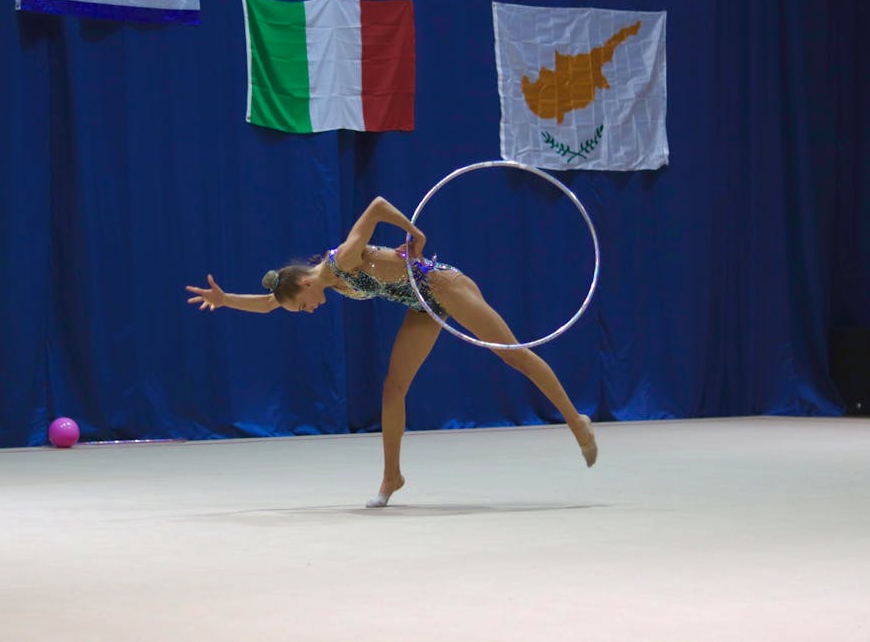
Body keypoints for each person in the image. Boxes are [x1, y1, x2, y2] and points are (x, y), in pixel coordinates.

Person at [185, 195, 597, 507]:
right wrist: (226, 301)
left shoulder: (343, 259)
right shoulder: (319, 283)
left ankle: (575, 420)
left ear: (305, 286)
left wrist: (414, 232)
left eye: (300, 308)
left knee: (512, 354)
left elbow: (378, 205)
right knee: (393, 388)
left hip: (442, 286)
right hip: (420, 304)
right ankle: (392, 477)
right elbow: (268, 303)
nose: (305, 313)